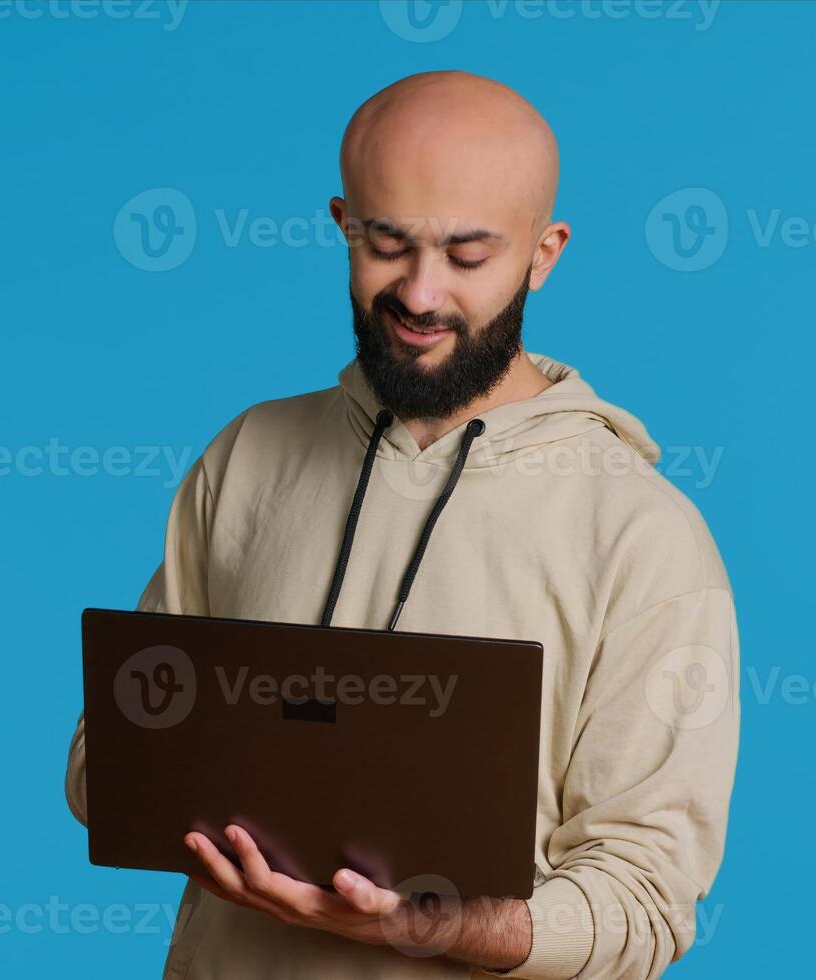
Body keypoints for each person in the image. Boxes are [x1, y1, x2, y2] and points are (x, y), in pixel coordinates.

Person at [66, 70, 739, 980]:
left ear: (543, 255)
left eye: (468, 256)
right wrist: (138, 784)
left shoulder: (641, 534)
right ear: (344, 223)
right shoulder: (246, 457)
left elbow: (644, 905)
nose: (420, 296)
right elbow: (112, 756)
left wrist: (425, 925)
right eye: (386, 244)